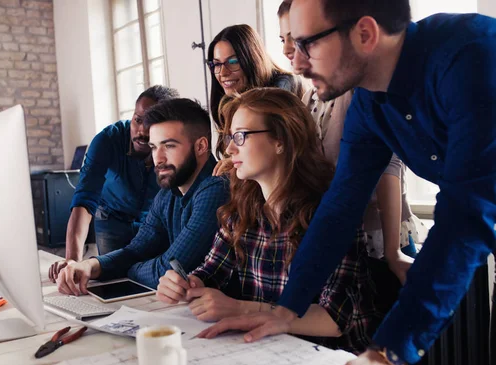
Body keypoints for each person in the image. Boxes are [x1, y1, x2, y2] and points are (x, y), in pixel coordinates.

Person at [201, 1, 496, 365]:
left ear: (365, 34)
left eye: (308, 43)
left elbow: (465, 214)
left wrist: (388, 351)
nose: (296, 62)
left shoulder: (471, 59)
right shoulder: (370, 103)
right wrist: (287, 308)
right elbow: (339, 208)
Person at [156, 88, 381, 354]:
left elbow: (334, 319)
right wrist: (185, 285)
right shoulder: (239, 212)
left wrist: (239, 308)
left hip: (331, 355)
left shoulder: (330, 213)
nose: (229, 149)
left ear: (280, 141)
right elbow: (211, 272)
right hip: (266, 350)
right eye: (230, 137)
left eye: (240, 136)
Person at [277, 0, 421, 291]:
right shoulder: (309, 98)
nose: (287, 49)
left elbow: (388, 168)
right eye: (283, 39)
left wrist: (393, 251)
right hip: (347, 234)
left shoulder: (357, 87)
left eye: (295, 37)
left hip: (382, 235)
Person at [55, 98, 230, 293]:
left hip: (226, 312)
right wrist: (89, 266)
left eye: (169, 146)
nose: (158, 158)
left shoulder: (216, 189)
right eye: (154, 147)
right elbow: (136, 250)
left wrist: (126, 269)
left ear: (200, 146)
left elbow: (166, 270)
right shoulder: (168, 193)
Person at [48, 86, 179, 283]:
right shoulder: (107, 140)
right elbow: (84, 200)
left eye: (152, 123)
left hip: (152, 224)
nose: (142, 130)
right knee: (110, 280)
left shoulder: (174, 149)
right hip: (111, 219)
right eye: (138, 119)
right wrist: (73, 260)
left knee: (151, 280)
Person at [207, 24, 305, 157]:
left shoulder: (285, 85)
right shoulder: (227, 101)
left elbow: (276, 152)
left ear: (252, 60)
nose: (223, 73)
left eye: (234, 61)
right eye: (217, 64)